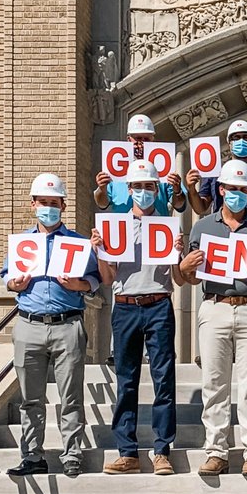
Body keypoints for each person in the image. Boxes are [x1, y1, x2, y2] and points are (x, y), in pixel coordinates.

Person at [178, 159, 247, 476]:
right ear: (221, 190)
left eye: (242, 189)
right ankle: (216, 451)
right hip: (214, 305)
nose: (236, 193)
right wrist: (185, 267)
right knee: (214, 383)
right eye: (231, 188)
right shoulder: (203, 227)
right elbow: (192, 278)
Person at [1, 173, 100, 478]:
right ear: (33, 204)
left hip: (67, 324)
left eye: (54, 203)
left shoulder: (79, 243)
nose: (48, 208)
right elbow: (6, 276)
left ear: (63, 205)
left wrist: (78, 283)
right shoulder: (22, 243)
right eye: (43, 202)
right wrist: (13, 283)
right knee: (30, 398)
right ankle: (32, 456)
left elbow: (95, 282)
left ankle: (72, 454)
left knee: (70, 396)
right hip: (29, 323)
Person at [93, 159, 185, 477]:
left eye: (149, 186)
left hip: (159, 303)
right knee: (126, 381)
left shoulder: (169, 225)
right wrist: (101, 253)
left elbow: (179, 278)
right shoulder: (116, 227)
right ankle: (127, 451)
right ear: (128, 189)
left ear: (156, 189)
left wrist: (178, 253)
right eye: (138, 186)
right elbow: (107, 278)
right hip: (126, 305)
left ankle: (162, 450)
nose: (143, 192)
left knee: (163, 381)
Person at [94, 114, 187, 215]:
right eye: (137, 138)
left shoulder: (164, 168)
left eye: (146, 139)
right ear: (129, 139)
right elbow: (102, 204)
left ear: (153, 139)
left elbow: (179, 205)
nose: (142, 143)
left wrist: (177, 191)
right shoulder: (115, 168)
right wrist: (102, 188)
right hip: (123, 227)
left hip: (156, 227)